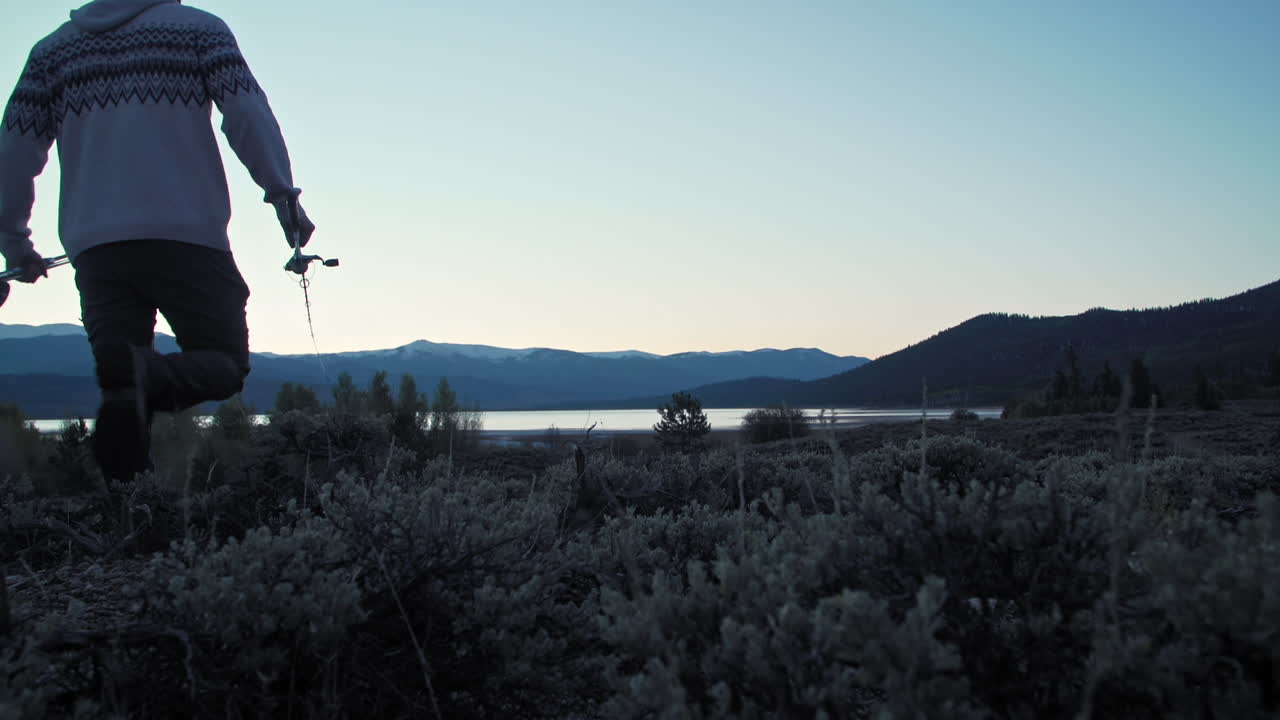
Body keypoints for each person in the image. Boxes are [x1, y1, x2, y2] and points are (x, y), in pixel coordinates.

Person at [0, 0, 315, 480]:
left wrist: (13, 238)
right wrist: (282, 196)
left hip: (95, 247)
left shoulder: (51, 53)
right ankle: (148, 380)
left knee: (122, 390)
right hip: (187, 236)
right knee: (225, 363)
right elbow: (247, 112)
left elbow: (15, 149)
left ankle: (125, 507)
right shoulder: (199, 30)